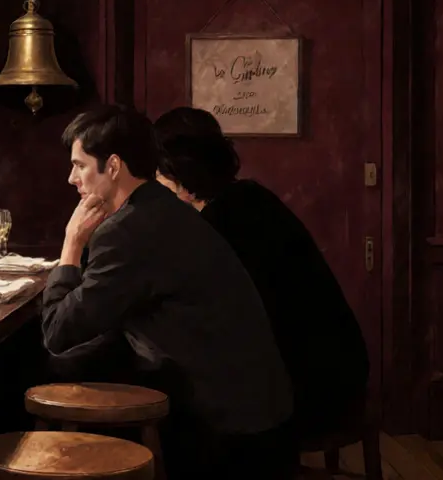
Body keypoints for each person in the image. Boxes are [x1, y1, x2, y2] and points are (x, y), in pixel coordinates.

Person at [42, 104, 296, 479]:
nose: (71, 178)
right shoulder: (162, 209)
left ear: (112, 166)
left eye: (79, 165)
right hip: (259, 409)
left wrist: (71, 245)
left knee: (54, 368)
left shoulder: (128, 230)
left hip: (227, 430)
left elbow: (57, 331)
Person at [153, 106, 369, 439]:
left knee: (178, 405)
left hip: (307, 390)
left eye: (157, 171)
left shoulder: (222, 221)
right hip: (339, 372)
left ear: (177, 171)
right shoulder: (248, 198)